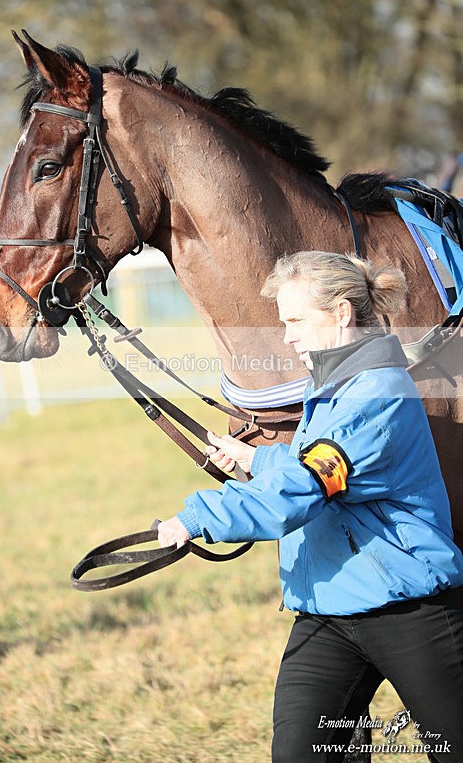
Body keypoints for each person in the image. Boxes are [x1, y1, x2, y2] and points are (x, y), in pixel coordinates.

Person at [157, 251, 463, 763]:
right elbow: (318, 466)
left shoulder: (377, 392)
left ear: (342, 313)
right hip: (327, 610)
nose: (288, 336)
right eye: (284, 323)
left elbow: (306, 486)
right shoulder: (331, 386)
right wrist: (257, 458)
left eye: (296, 320)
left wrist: (198, 518)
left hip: (410, 614)